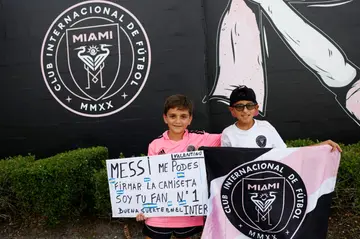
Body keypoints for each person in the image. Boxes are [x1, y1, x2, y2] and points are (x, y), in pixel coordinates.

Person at [136, 94, 221, 239]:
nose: (177, 121)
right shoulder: (155, 145)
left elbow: (228, 137)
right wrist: (139, 207)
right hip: (158, 214)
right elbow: (148, 180)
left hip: (187, 214)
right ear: (165, 118)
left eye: (183, 116)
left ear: (190, 119)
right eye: (173, 116)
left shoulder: (199, 138)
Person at [221, 85, 342, 152]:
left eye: (250, 106)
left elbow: (286, 154)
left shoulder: (266, 127)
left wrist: (321, 147)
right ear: (232, 110)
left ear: (256, 108)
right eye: (239, 107)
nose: (245, 110)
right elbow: (226, 165)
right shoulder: (228, 133)